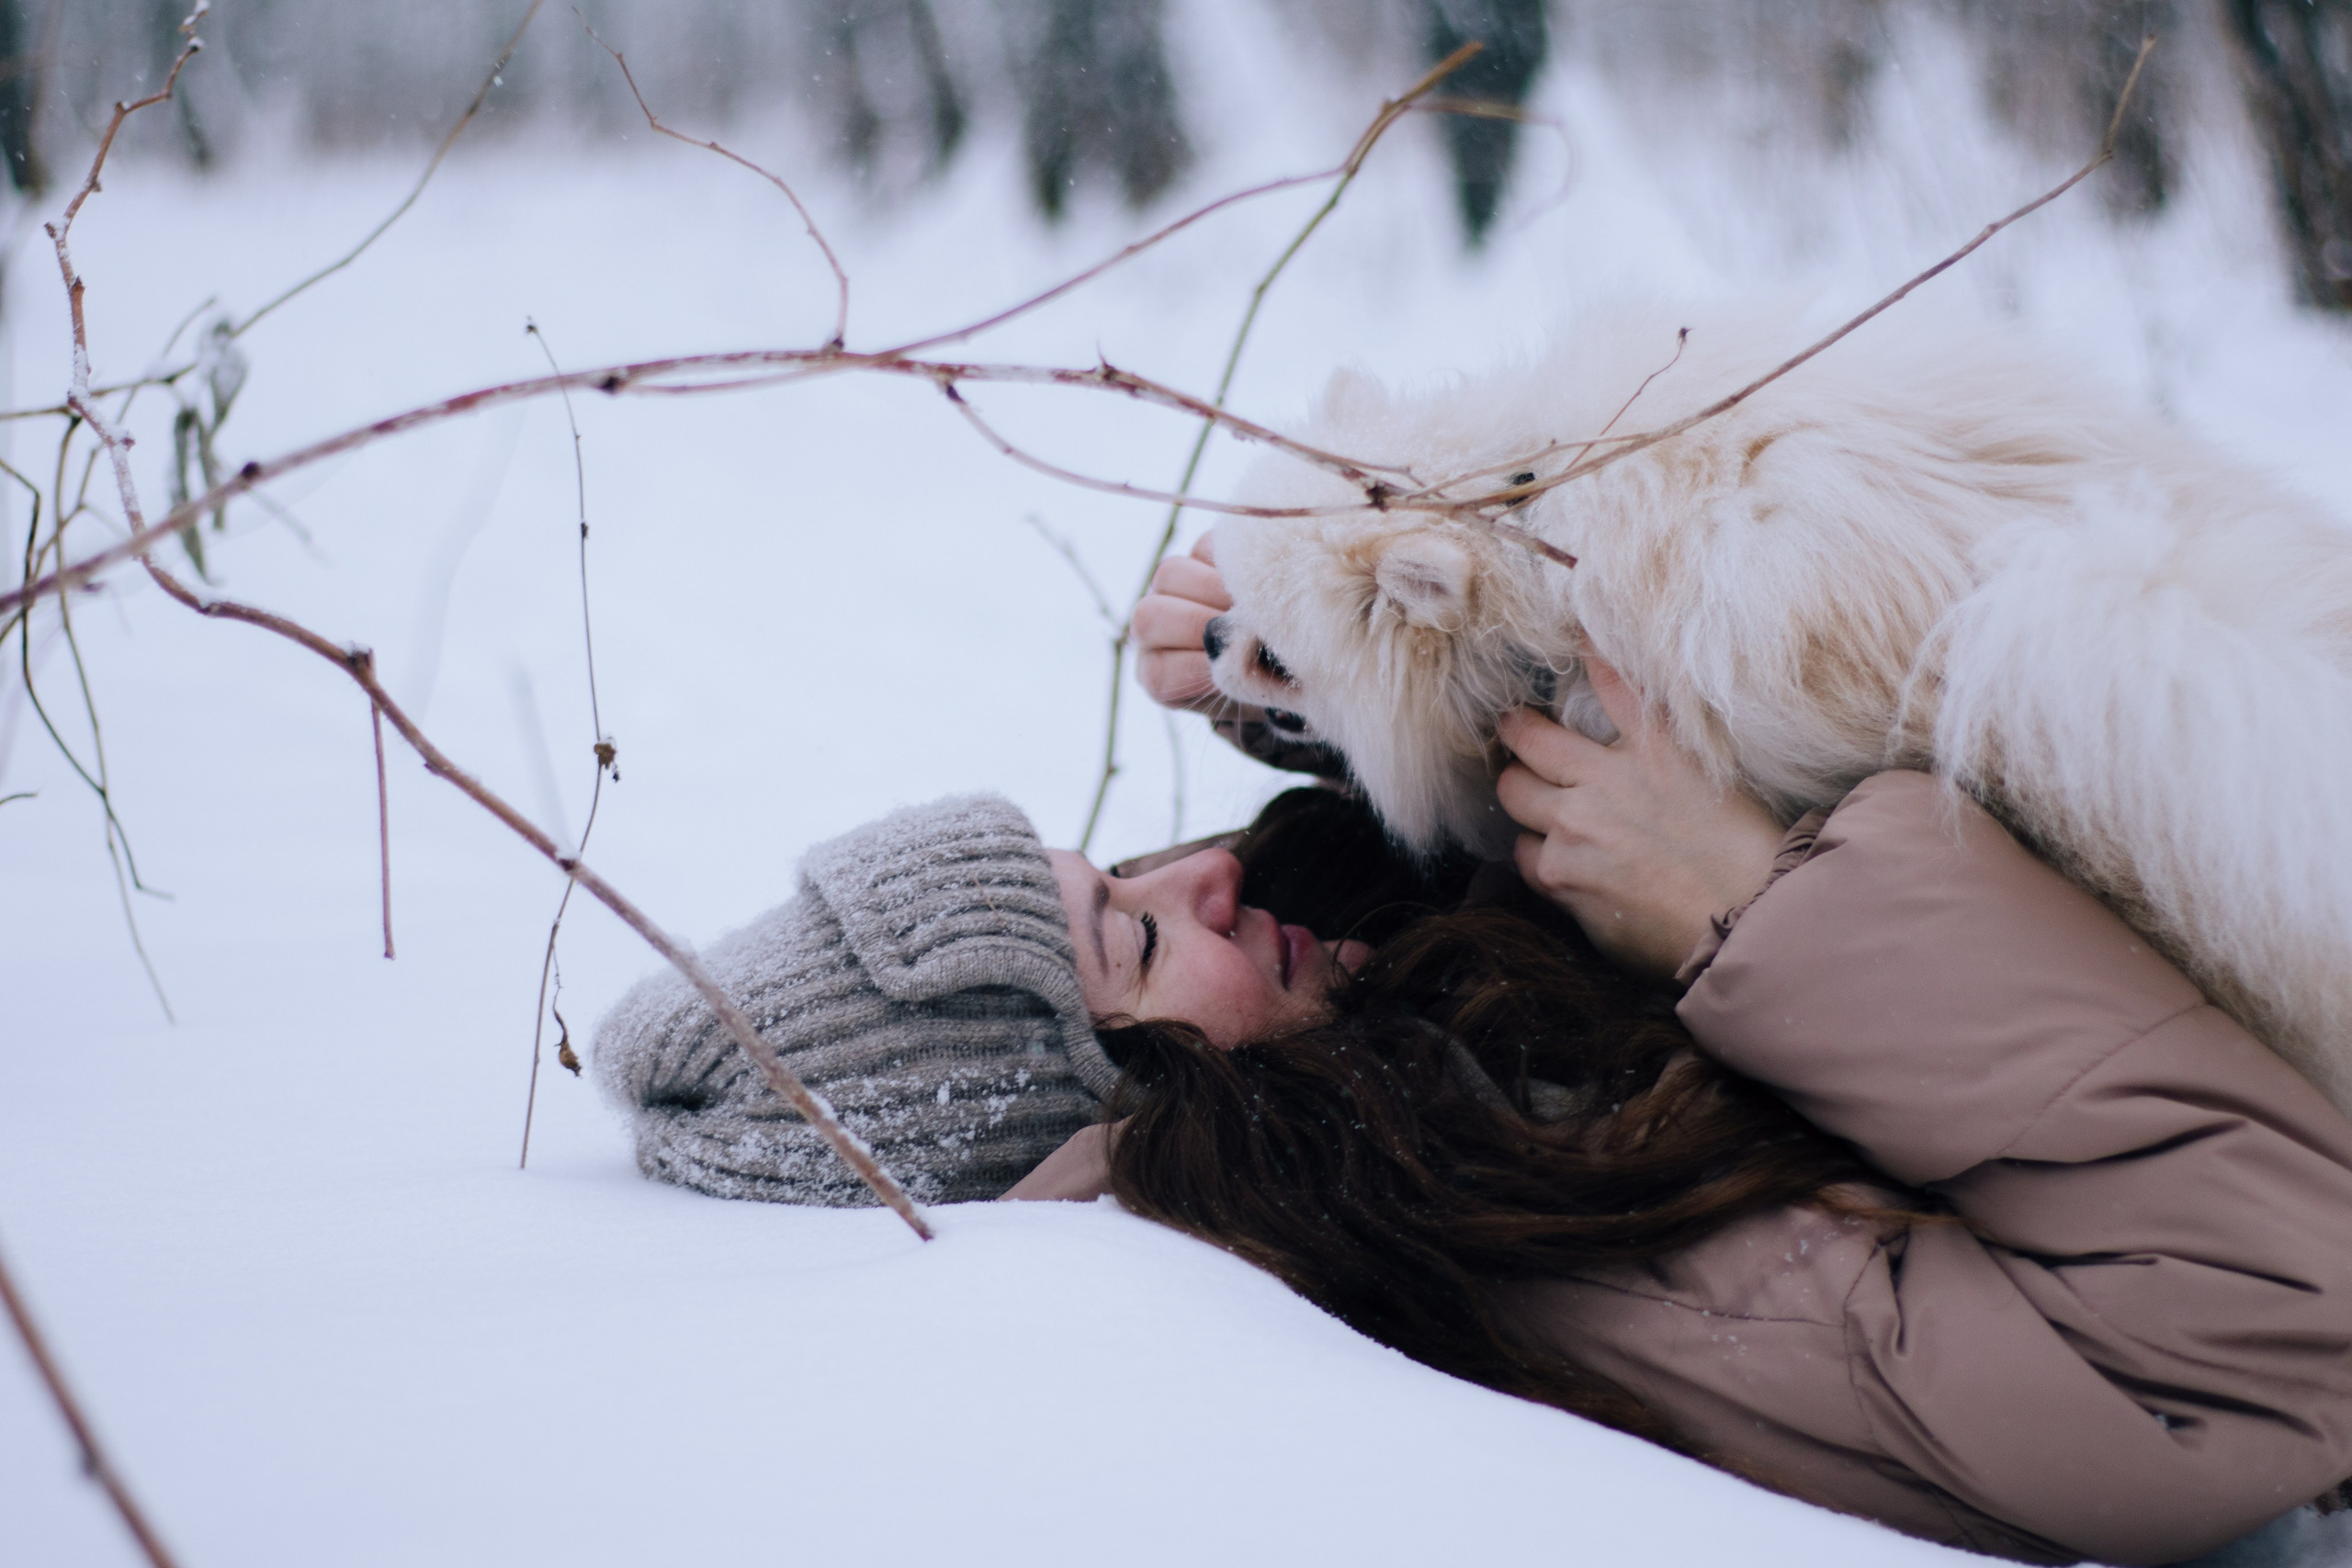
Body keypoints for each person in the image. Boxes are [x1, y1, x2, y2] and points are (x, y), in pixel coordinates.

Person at [597, 540, 2352, 1563]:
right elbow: (2257, 1339)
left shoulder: (1386, 1045)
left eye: (1119, 861)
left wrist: (1329, 677)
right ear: (1127, 1111)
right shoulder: (1489, 1226)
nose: (1205, 870)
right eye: (1135, 939)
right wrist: (1752, 908)